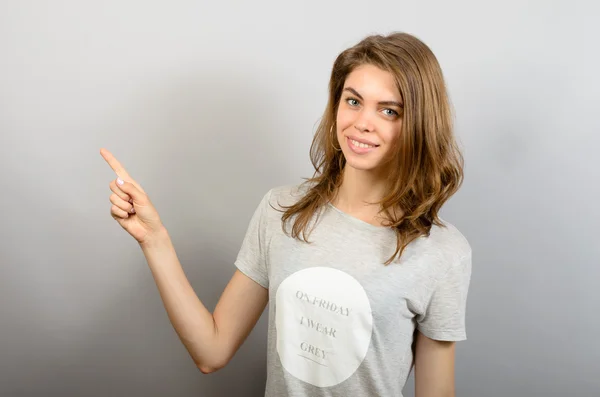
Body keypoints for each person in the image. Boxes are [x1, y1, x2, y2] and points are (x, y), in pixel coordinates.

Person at [100, 31, 472, 397]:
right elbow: (210, 352)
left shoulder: (442, 253)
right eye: (353, 101)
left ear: (418, 125)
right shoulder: (281, 212)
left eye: (389, 111)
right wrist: (155, 240)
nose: (362, 122)